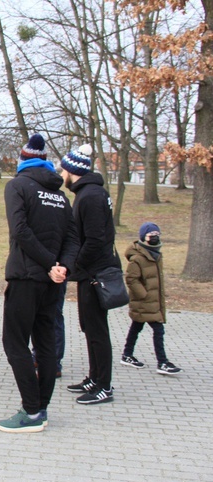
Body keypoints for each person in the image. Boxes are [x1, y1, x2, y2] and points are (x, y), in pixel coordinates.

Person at [0, 133, 79, 433]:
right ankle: (41, 409)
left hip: (27, 278)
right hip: (52, 282)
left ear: (22, 159)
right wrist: (62, 267)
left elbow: (20, 230)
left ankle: (31, 411)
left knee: (14, 342)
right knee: (45, 345)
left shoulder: (17, 186)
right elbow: (72, 238)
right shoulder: (61, 196)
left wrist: (49, 265)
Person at [61, 144, 120, 405]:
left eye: (63, 167)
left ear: (73, 170)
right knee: (89, 327)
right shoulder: (87, 193)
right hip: (89, 274)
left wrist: (74, 265)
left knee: (97, 330)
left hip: (95, 274)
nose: (60, 172)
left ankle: (103, 386)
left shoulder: (91, 196)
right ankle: (94, 378)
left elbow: (95, 240)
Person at [120, 222, 182, 375]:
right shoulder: (137, 258)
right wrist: (144, 295)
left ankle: (127, 355)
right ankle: (162, 362)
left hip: (154, 301)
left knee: (136, 326)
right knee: (158, 329)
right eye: (151, 235)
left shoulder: (156, 255)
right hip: (144, 301)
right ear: (143, 237)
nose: (155, 238)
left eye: (157, 235)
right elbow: (131, 279)